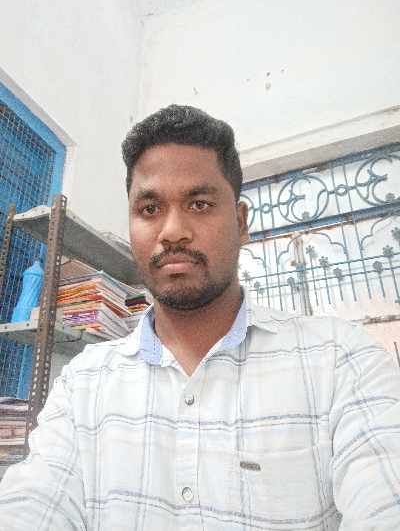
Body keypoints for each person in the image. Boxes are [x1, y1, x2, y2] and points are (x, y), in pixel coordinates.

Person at [0, 104, 399, 530]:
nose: (173, 231)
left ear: (241, 222)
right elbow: (35, 504)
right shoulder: (83, 383)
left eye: (200, 203)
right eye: (149, 209)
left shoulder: (340, 362)